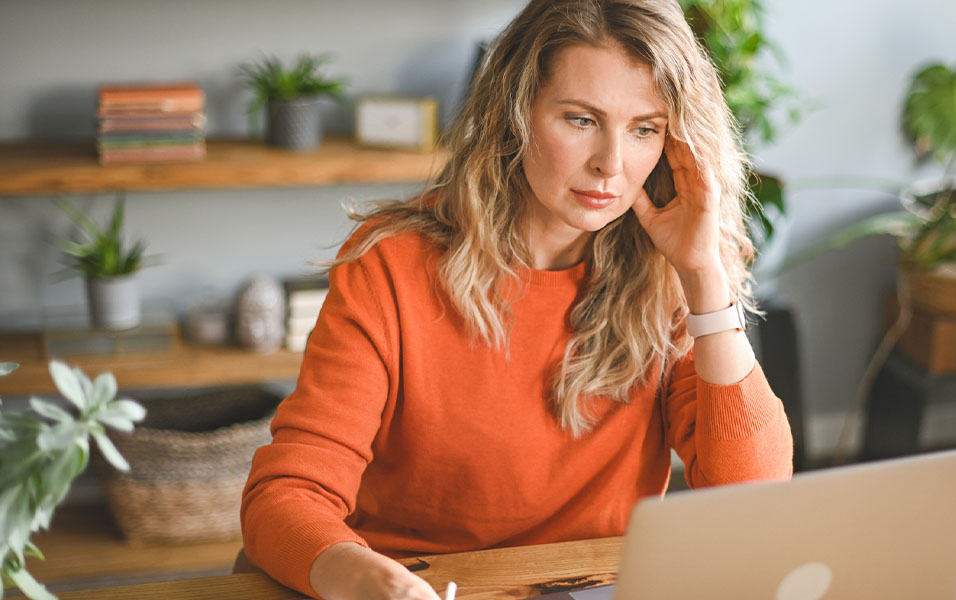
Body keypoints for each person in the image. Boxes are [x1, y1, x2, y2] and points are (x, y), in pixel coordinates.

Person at [240, 0, 793, 598]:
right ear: (516, 113)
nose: (611, 163)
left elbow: (754, 501)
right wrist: (366, 577)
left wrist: (705, 274)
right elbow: (287, 494)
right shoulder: (391, 266)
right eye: (581, 119)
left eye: (644, 129)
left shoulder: (672, 275)